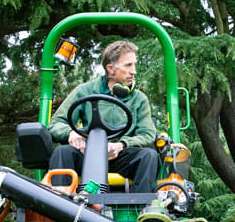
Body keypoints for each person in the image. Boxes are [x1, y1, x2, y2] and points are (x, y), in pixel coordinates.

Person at [47, 40, 160, 192]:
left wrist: (122, 145)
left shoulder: (138, 98)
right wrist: (70, 133)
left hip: (120, 155)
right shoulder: (85, 91)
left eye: (134, 65)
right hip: (87, 154)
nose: (134, 71)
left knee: (149, 156)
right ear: (111, 69)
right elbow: (56, 124)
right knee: (62, 152)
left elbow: (147, 134)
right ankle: (59, 205)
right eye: (128, 65)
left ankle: (139, 208)